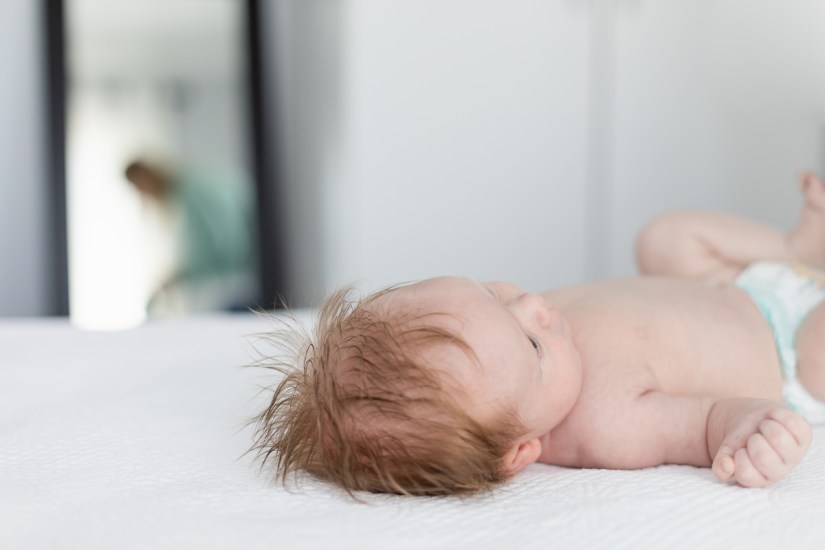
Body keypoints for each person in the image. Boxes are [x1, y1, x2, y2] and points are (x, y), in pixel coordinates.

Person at [250, 172, 825, 496]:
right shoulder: (607, 423)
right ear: (520, 451)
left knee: (663, 240)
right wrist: (751, 427)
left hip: (734, 284)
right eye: (530, 344)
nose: (534, 305)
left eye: (492, 294)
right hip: (788, 347)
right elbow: (704, 423)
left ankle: (796, 253)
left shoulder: (521, 356)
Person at [124, 159, 256, 313]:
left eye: (138, 185)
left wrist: (179, 277)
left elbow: (227, 245)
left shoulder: (192, 192)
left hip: (251, 276)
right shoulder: (187, 192)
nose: (142, 192)